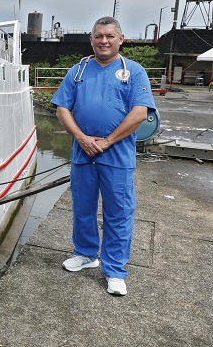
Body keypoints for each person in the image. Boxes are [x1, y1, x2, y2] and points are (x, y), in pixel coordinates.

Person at [50, 16, 156, 296]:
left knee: (118, 213)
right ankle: (86, 254)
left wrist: (108, 141)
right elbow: (62, 109)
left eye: (110, 36)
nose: (104, 41)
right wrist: (81, 138)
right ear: (91, 40)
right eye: (98, 36)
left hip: (117, 156)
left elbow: (140, 113)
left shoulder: (134, 72)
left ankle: (115, 270)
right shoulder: (78, 71)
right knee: (82, 209)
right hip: (83, 154)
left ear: (121, 39)